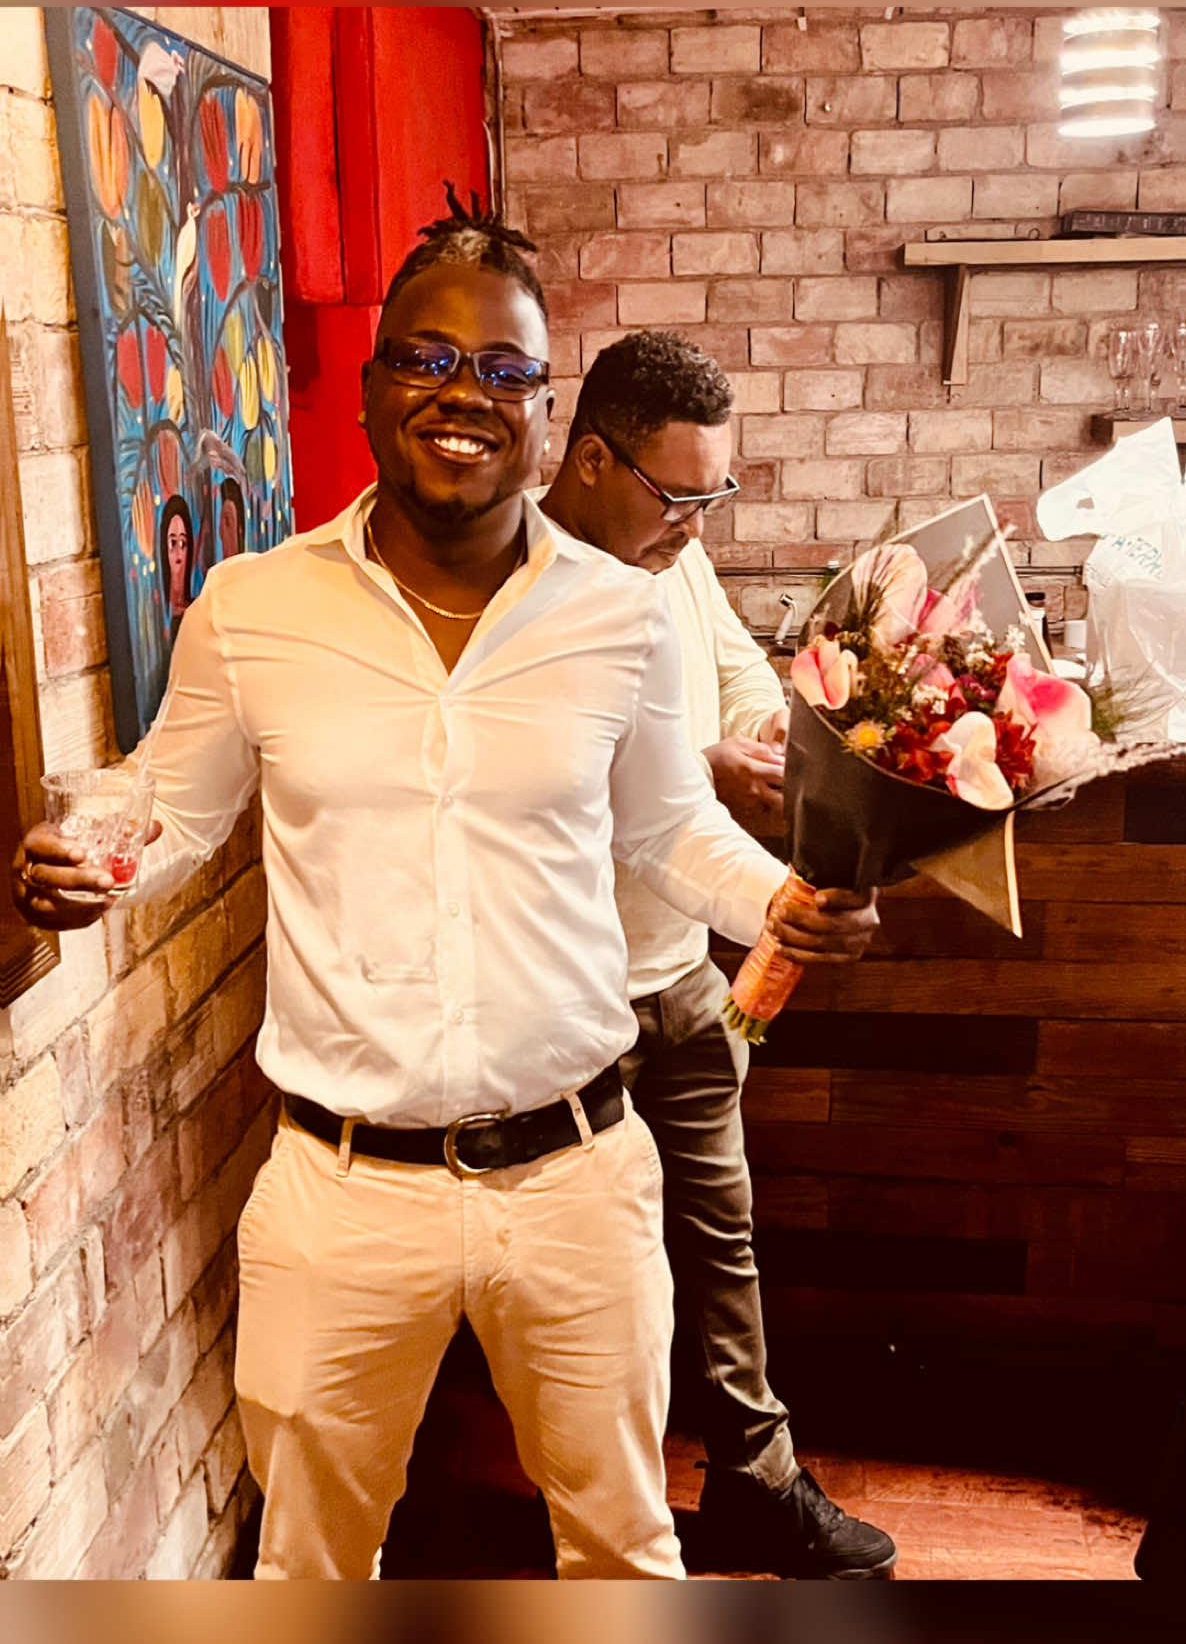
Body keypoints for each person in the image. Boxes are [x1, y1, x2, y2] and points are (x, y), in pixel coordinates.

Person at [11, 195, 855, 1582]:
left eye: (505, 369)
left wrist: (778, 903)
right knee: (311, 1565)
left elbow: (666, 830)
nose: (465, 393)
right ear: (369, 387)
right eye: (428, 357)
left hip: (576, 1180)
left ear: (545, 417)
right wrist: (88, 859)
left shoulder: (623, 614)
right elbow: (170, 805)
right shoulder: (254, 608)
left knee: (623, 1554)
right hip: (341, 1192)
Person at [540, 330, 897, 1580]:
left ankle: (754, 1482)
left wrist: (778, 742)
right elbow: (536, 797)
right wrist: (697, 768)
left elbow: (741, 672)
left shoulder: (671, 558)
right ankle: (607, 1523)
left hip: (682, 980)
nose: (696, 524)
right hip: (564, 1008)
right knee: (598, 1288)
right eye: (677, 495)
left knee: (721, 1245)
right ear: (591, 460)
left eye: (714, 494)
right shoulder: (515, 585)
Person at [158, 492, 193, 644]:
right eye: (172, 543)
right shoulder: (159, 612)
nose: (179, 553)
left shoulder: (196, 607)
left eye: (182, 543)